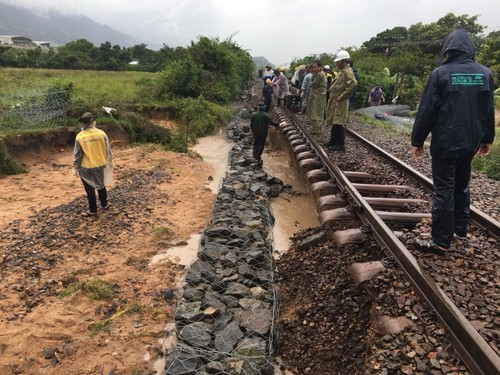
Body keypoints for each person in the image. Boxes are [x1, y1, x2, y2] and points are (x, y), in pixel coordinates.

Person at [411, 28, 495, 255]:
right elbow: (488, 110)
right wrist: (487, 139)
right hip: (470, 142)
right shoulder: (485, 74)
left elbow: (427, 110)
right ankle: (459, 228)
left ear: (448, 48)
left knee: (444, 189)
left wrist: (417, 139)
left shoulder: (441, 74)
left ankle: (440, 240)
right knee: (461, 185)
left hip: (446, 142)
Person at [73, 112, 113, 217]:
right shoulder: (101, 133)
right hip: (100, 164)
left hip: (86, 167)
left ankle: (93, 210)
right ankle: (104, 204)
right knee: (101, 185)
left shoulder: (80, 137)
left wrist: (76, 167)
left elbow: (78, 155)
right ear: (93, 122)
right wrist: (109, 162)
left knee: (89, 189)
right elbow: (108, 150)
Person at [324, 50, 357, 151]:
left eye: (338, 61)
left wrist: (342, 96)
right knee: (335, 122)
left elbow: (353, 84)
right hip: (336, 101)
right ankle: (333, 141)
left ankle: (340, 144)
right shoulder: (342, 71)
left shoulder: (347, 71)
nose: (336, 63)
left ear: (343, 61)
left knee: (339, 123)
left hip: (340, 101)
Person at [250, 102, 279, 167]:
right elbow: (272, 123)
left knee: (255, 143)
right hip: (263, 133)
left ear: (258, 108)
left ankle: (254, 156)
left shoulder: (254, 115)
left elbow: (251, 124)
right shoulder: (266, 115)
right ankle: (258, 156)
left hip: (256, 132)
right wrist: (278, 124)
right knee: (261, 144)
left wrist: (252, 130)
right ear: (264, 108)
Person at [304, 61, 327, 133]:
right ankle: (314, 127)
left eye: (315, 67)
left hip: (318, 96)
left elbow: (313, 84)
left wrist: (311, 83)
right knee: (313, 110)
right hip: (315, 95)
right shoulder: (316, 74)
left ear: (319, 67)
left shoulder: (321, 75)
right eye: (313, 67)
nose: (313, 69)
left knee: (316, 112)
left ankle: (316, 129)